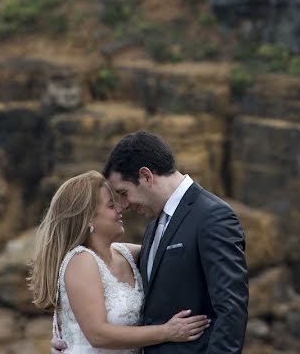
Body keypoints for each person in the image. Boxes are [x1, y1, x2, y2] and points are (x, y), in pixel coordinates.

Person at [52, 131, 248, 353]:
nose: (123, 205)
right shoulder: (154, 227)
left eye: (124, 193)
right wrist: (72, 335)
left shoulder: (212, 217)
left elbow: (231, 310)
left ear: (146, 176)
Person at [29, 170, 211, 353]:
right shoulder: (81, 261)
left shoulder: (127, 254)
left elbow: (171, 250)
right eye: (111, 205)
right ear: (88, 218)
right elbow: (97, 334)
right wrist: (168, 331)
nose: (120, 208)